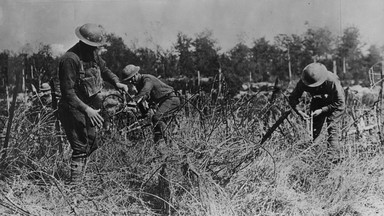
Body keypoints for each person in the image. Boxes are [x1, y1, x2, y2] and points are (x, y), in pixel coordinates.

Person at [58, 23, 128, 184]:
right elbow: (68, 93)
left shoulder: (92, 54)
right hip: (73, 107)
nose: (96, 49)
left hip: (89, 106)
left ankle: (80, 178)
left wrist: (116, 82)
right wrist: (87, 109)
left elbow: (104, 70)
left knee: (91, 143)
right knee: (80, 146)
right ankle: (75, 187)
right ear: (84, 42)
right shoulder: (70, 59)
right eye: (93, 45)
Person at [289, 62, 345, 162]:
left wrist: (323, 110)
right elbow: (293, 98)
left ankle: (334, 159)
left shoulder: (332, 80)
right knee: (315, 130)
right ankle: (315, 155)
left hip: (335, 103)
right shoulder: (304, 82)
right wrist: (299, 111)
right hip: (318, 101)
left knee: (332, 128)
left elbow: (340, 102)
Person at [121, 64, 180, 145]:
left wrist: (133, 101)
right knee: (156, 123)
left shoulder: (147, 79)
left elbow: (145, 91)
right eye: (129, 80)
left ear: (136, 74)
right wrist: (143, 114)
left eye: (131, 78)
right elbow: (144, 98)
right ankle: (159, 147)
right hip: (164, 101)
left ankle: (171, 144)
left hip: (171, 99)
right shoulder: (139, 84)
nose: (131, 82)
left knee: (157, 118)